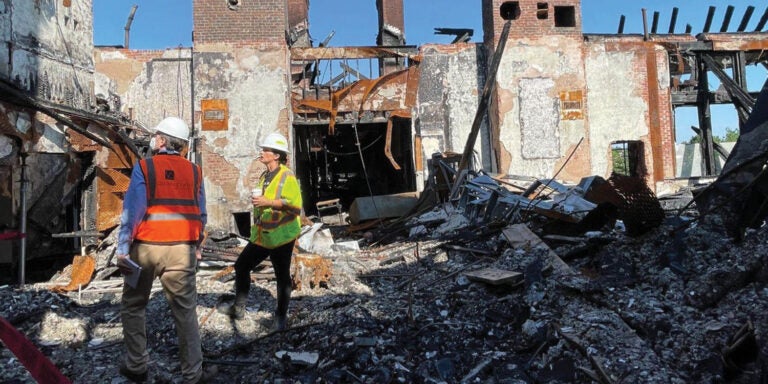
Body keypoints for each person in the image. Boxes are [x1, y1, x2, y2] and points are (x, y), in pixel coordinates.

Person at [116, 116, 216, 383]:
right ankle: (193, 374)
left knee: (134, 306)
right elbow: (201, 213)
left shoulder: (144, 168)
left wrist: (123, 248)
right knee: (185, 311)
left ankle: (137, 365)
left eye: (156, 135)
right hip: (181, 251)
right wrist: (197, 246)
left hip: (146, 250)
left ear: (161, 141)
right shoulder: (195, 171)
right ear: (183, 145)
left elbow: (132, 211)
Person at [219, 132, 302, 331]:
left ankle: (280, 318)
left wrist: (268, 202)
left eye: (266, 150)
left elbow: (296, 206)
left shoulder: (287, 176)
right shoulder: (265, 176)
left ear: (276, 155)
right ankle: (238, 308)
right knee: (241, 266)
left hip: (282, 236)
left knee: (282, 276)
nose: (262, 152)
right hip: (263, 236)